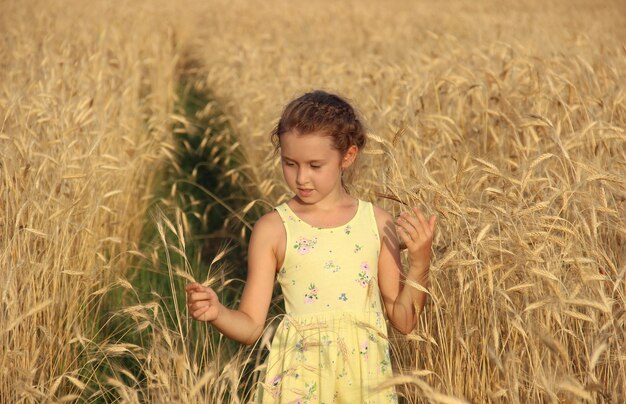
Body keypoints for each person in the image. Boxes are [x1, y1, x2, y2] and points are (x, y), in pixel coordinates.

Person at [186, 90, 436, 403]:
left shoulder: (377, 223)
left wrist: (420, 263)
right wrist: (217, 312)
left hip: (365, 384)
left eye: (315, 166)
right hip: (298, 382)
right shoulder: (273, 229)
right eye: (290, 163)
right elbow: (250, 326)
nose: (301, 178)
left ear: (348, 156)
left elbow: (404, 320)